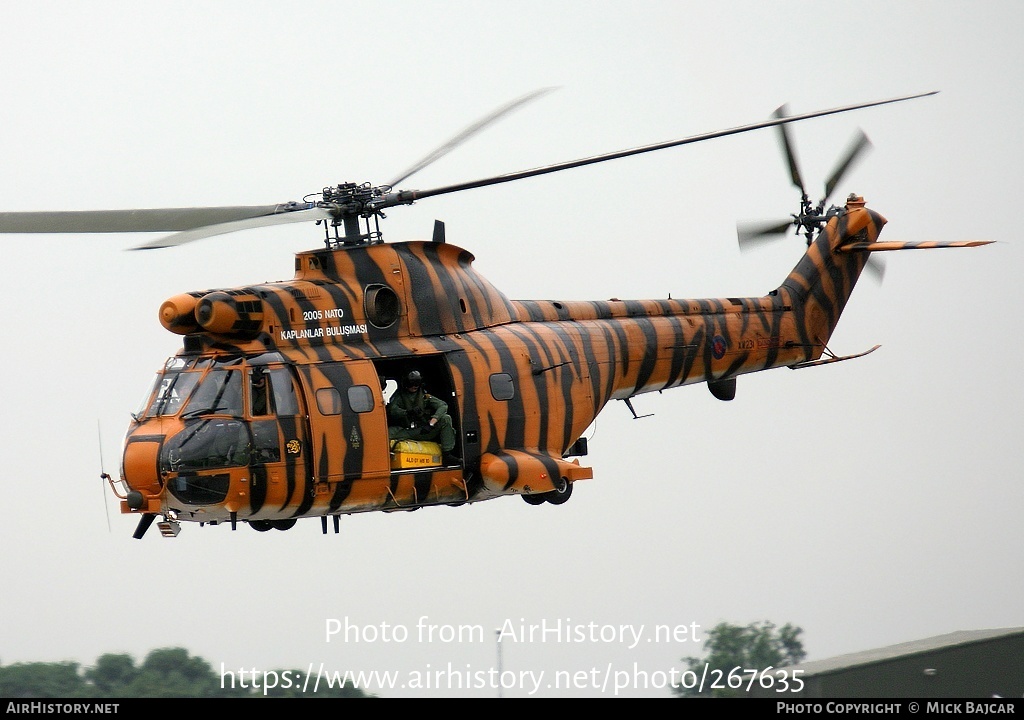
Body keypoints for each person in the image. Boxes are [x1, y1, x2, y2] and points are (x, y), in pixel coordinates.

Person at [387, 370, 460, 465]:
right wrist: (407, 412)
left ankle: (447, 455)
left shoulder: (424, 396)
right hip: (406, 430)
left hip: (423, 430)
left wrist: (431, 423)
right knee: (385, 434)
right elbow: (393, 410)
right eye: (411, 383)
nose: (414, 386)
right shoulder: (399, 396)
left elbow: (443, 406)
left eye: (417, 383)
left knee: (446, 418)